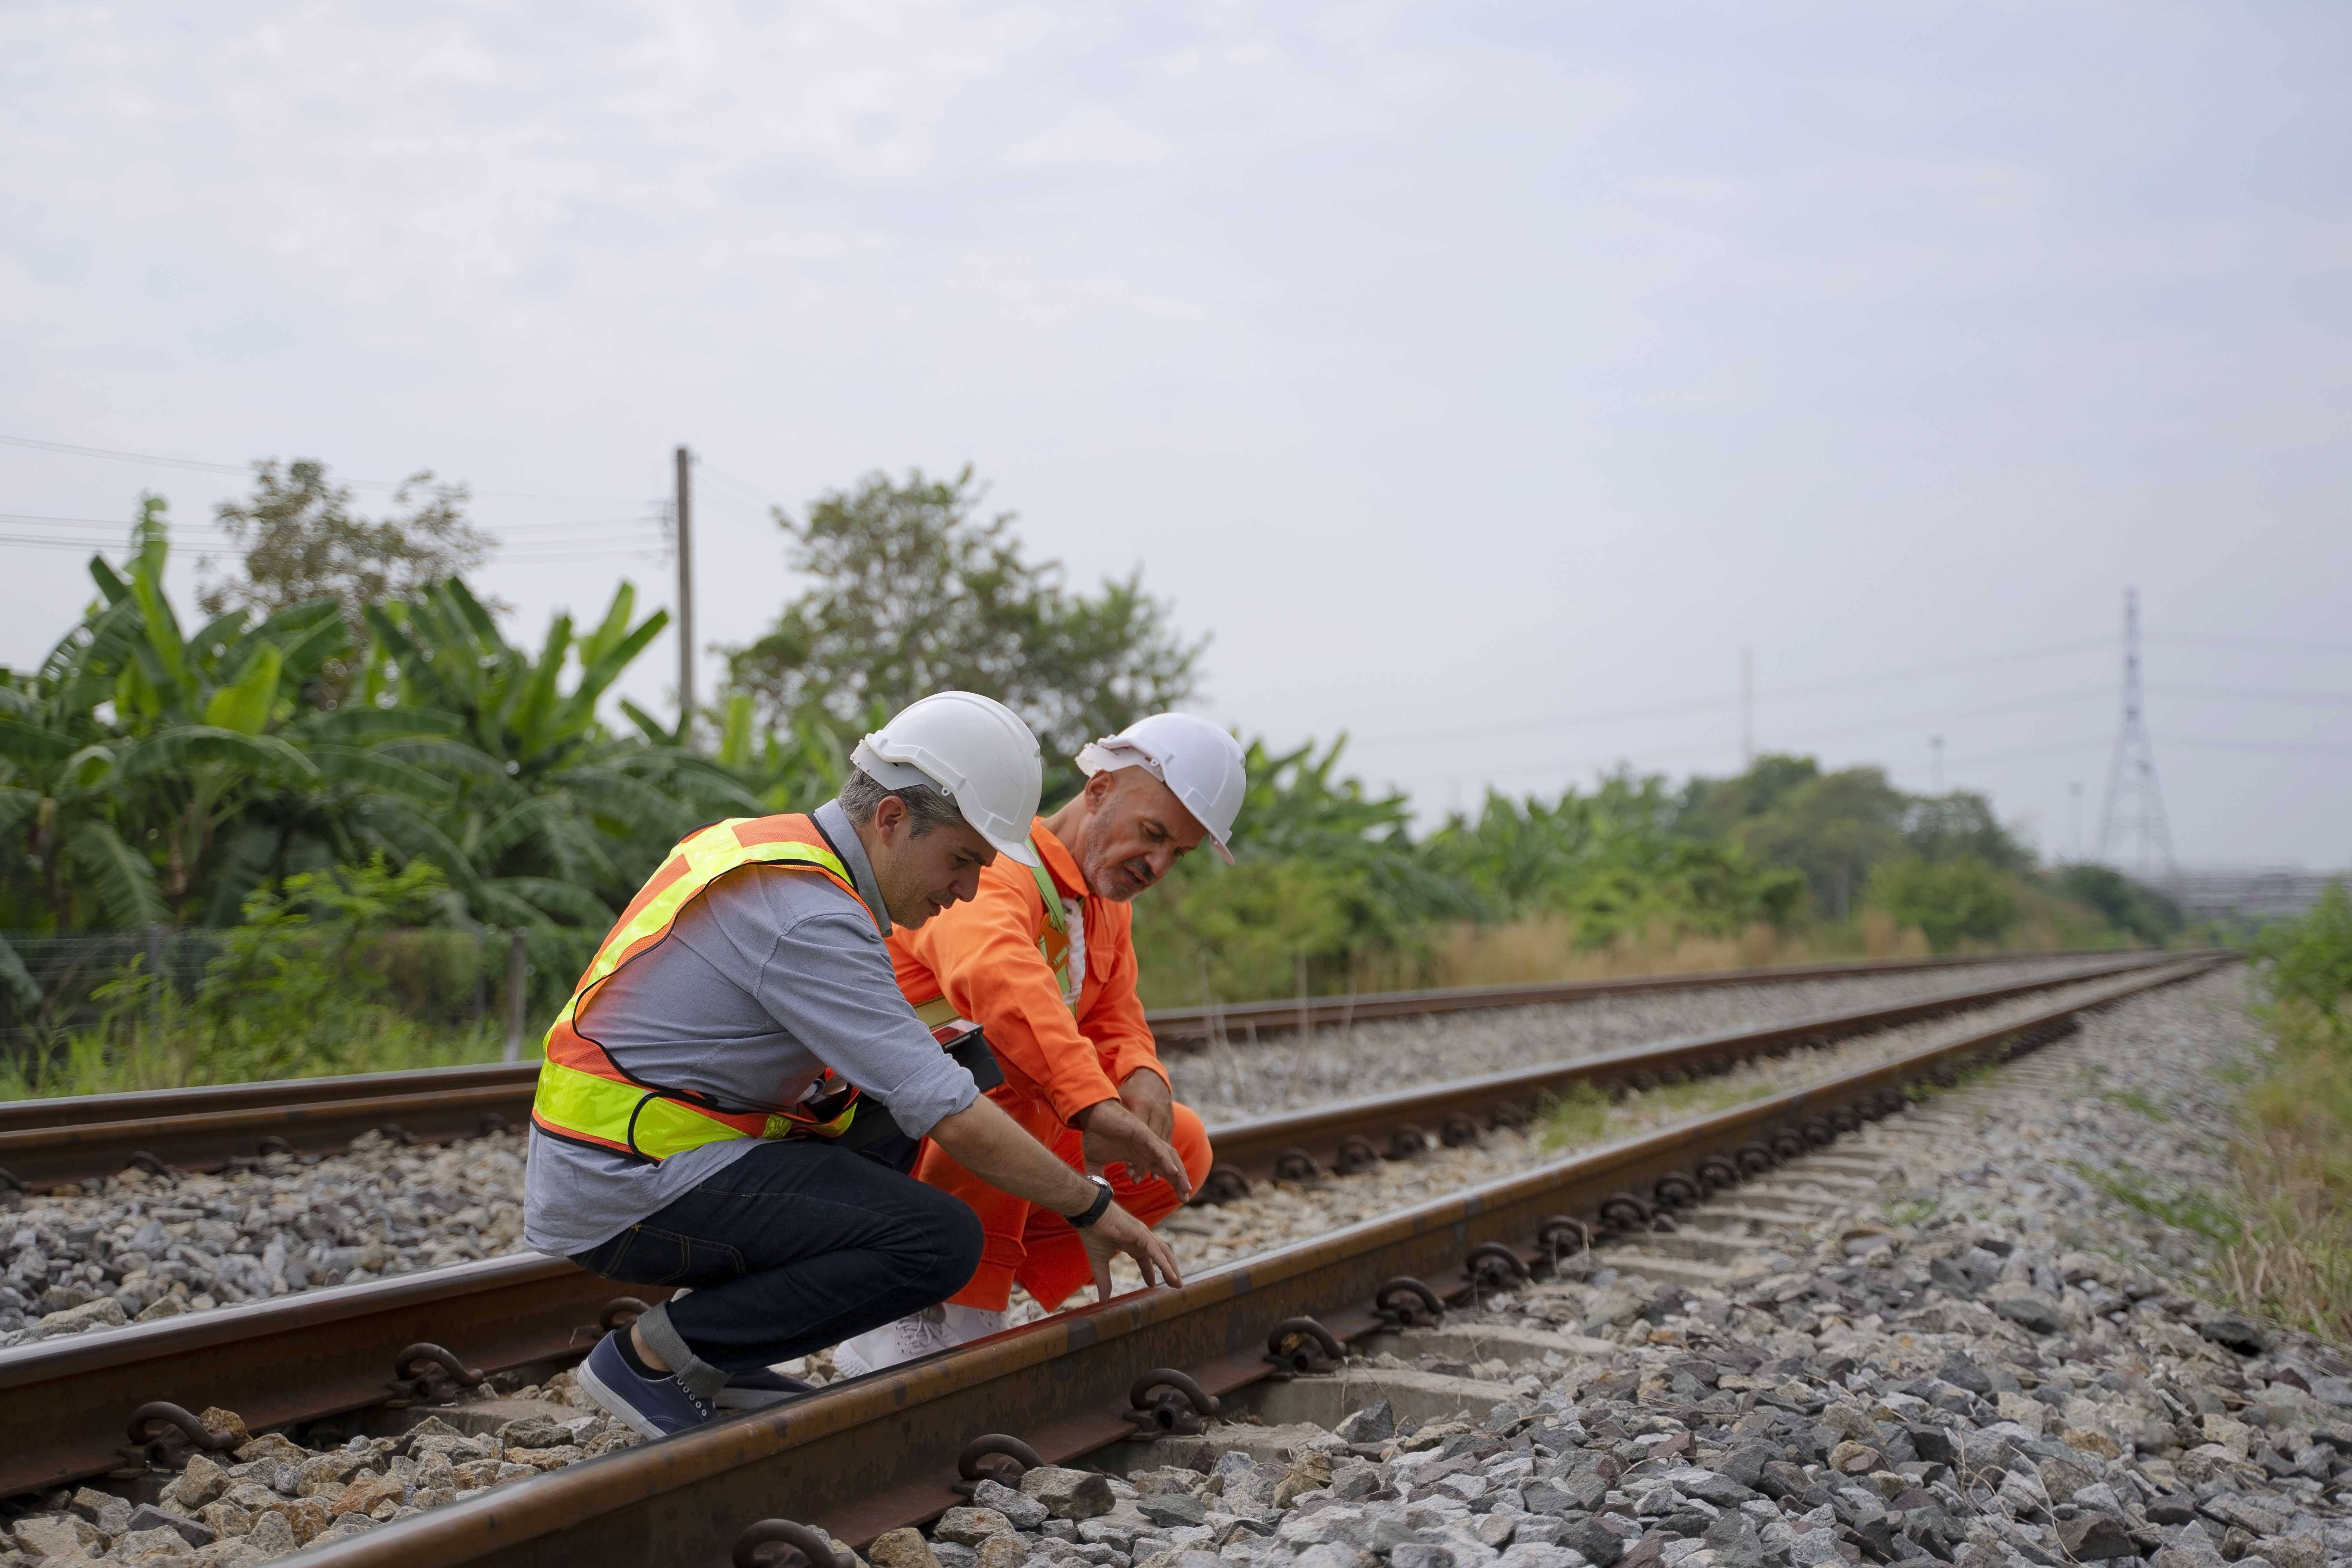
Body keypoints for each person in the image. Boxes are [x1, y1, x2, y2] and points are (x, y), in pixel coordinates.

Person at [523, 691, 1190, 1439]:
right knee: (939, 1240)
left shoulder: (781, 853)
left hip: (651, 1146)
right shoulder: (808, 913)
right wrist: (1090, 1207)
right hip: (627, 1178)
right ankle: (649, 1359)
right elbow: (948, 1112)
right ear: (893, 818)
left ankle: (721, 1355)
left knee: (952, 1067)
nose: (967, 888)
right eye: (962, 859)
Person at [835, 713, 1246, 1374]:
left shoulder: (1103, 901)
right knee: (1010, 1075)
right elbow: (1001, 984)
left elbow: (1116, 1014)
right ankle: (921, 1313)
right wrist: (1089, 1104)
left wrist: (1143, 1077)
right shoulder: (996, 863)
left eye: (1180, 854)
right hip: (879, 1121)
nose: (1158, 864)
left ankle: (984, 1288)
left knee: (1180, 1145)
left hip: (938, 1129)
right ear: (1100, 790)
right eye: (1153, 834)